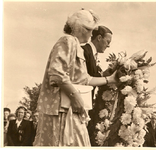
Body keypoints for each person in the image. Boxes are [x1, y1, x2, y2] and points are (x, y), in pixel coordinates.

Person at [33, 9, 117, 146]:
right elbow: (56, 73)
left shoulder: (76, 46)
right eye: (90, 29)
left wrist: (110, 79)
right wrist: (75, 97)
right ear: (80, 28)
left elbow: (85, 80)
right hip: (61, 110)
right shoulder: (68, 40)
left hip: (70, 110)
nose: (91, 34)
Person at [81, 25, 112, 146]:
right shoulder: (84, 51)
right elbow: (84, 79)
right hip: (79, 104)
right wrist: (109, 79)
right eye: (107, 41)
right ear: (99, 38)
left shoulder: (93, 55)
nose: (108, 45)